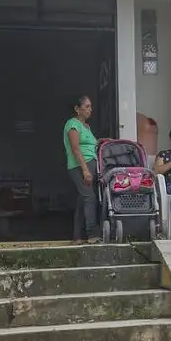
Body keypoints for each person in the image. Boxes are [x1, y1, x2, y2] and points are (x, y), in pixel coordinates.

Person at [63, 94, 99, 243]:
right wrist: (85, 170)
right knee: (89, 198)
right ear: (77, 109)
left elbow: (90, 145)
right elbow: (76, 148)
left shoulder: (86, 126)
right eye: (87, 106)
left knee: (82, 200)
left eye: (90, 106)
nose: (90, 109)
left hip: (90, 163)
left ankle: (77, 236)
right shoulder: (73, 124)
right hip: (79, 165)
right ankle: (92, 234)